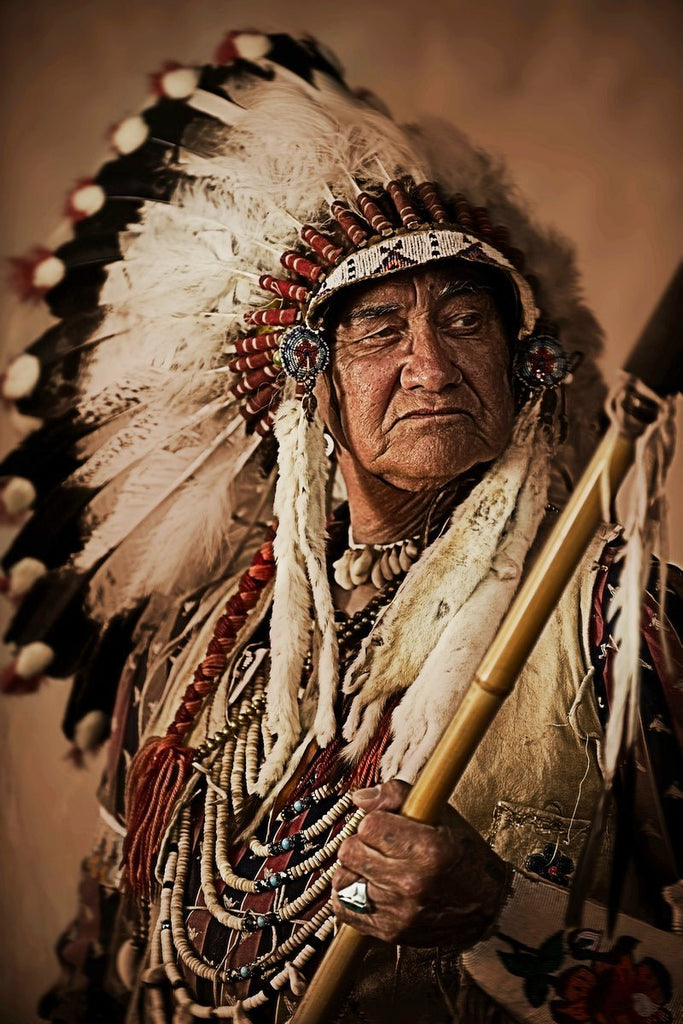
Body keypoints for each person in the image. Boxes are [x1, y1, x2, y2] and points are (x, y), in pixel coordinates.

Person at [1, 30, 680, 1024]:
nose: (431, 367)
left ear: (522, 361)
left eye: (462, 320)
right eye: (376, 329)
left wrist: (502, 917)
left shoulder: (620, 626)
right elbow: (106, 953)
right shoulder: (193, 649)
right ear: (304, 389)